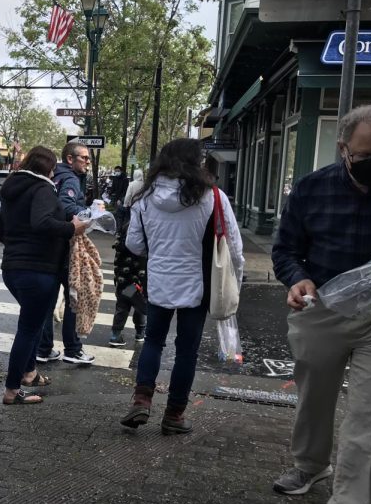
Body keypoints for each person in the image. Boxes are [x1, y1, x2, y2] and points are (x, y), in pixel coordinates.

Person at [270, 104, 371, 504]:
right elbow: (285, 249)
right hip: (319, 308)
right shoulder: (312, 188)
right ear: (344, 149)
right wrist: (296, 279)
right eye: (366, 155)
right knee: (314, 396)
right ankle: (310, 462)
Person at [119, 139, 243, 433]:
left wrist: (160, 250)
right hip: (198, 284)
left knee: (153, 341)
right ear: (196, 162)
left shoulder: (145, 197)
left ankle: (142, 398)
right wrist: (236, 282)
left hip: (159, 280)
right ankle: (174, 415)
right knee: (187, 350)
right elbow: (234, 247)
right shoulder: (213, 196)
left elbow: (134, 244)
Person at [0, 146, 88, 405]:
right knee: (27, 329)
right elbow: (41, 222)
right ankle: (12, 390)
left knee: (34, 323)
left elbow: (2, 232)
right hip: (38, 271)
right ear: (49, 168)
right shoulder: (44, 188)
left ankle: (29, 373)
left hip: (12, 269)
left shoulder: (13, 189)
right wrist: (72, 228)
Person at [36, 140, 94, 365]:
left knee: (49, 300)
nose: (87, 162)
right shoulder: (70, 178)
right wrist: (91, 213)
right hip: (67, 246)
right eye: (84, 158)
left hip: (50, 247)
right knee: (74, 299)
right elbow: (66, 207)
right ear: (70, 159)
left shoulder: (54, 176)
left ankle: (44, 348)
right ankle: (73, 348)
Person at [108, 207, 147, 347]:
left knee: (122, 307)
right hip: (136, 283)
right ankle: (140, 332)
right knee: (140, 307)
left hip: (122, 281)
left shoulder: (121, 241)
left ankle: (115, 334)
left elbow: (117, 261)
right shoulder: (142, 240)